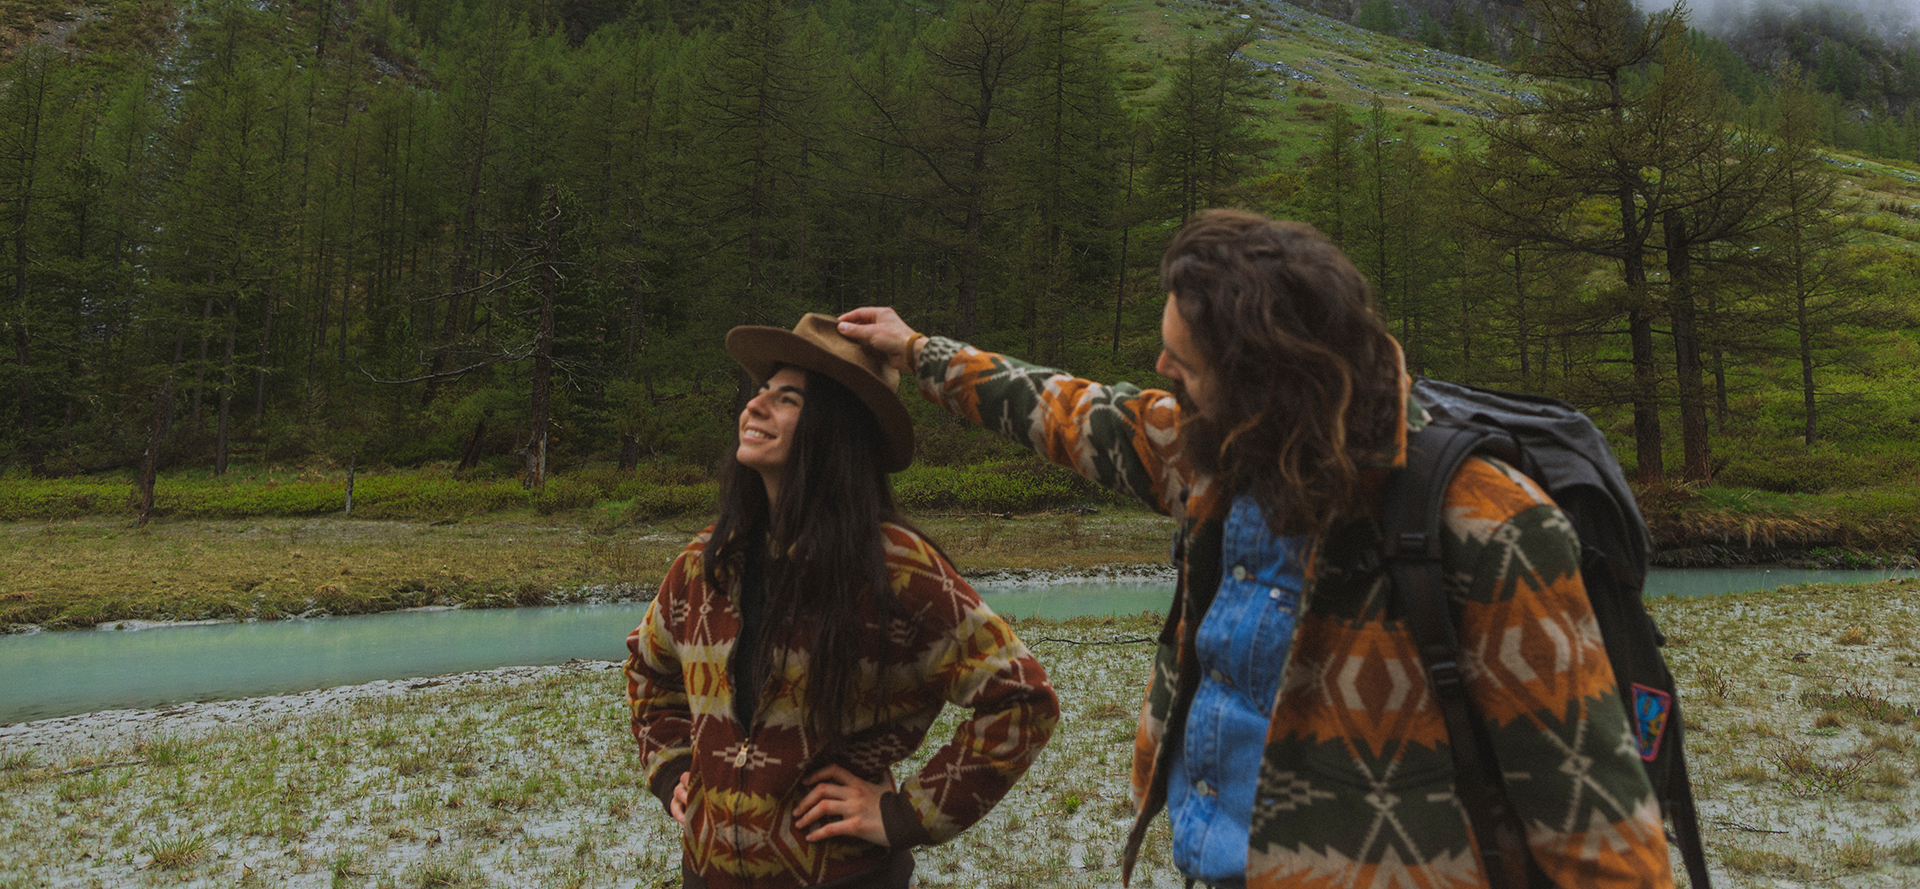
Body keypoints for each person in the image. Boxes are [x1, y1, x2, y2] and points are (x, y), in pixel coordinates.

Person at [836, 210, 1675, 889]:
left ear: (1272, 378)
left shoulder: (1488, 524)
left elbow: (1599, 830)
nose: (1160, 368)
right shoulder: (1214, 451)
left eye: (1185, 363)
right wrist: (917, 351)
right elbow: (1065, 409)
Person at [623, 314, 1059, 889]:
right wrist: (672, 766)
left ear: (835, 427)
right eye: (759, 393)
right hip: (706, 876)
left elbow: (1022, 699)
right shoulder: (707, 561)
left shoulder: (896, 570)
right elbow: (648, 671)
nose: (755, 407)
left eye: (787, 399)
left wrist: (909, 812)